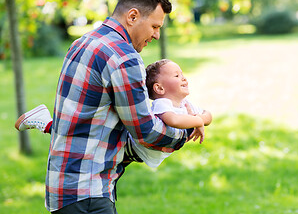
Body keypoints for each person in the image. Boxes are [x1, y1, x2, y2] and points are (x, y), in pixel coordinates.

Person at [15, 0, 205, 214]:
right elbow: (146, 132)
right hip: (89, 194)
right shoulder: (124, 57)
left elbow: (80, 122)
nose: (156, 35)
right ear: (133, 16)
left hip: (63, 190)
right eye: (155, 27)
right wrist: (188, 128)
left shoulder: (81, 43)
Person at [16, 59, 212, 168]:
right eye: (177, 75)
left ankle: (47, 123)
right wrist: (196, 120)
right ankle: (46, 123)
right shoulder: (162, 105)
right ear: (159, 89)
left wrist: (200, 120)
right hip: (129, 147)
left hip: (136, 152)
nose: (184, 78)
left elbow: (208, 115)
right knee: (87, 144)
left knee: (86, 143)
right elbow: (174, 120)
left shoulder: (185, 103)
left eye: (182, 73)